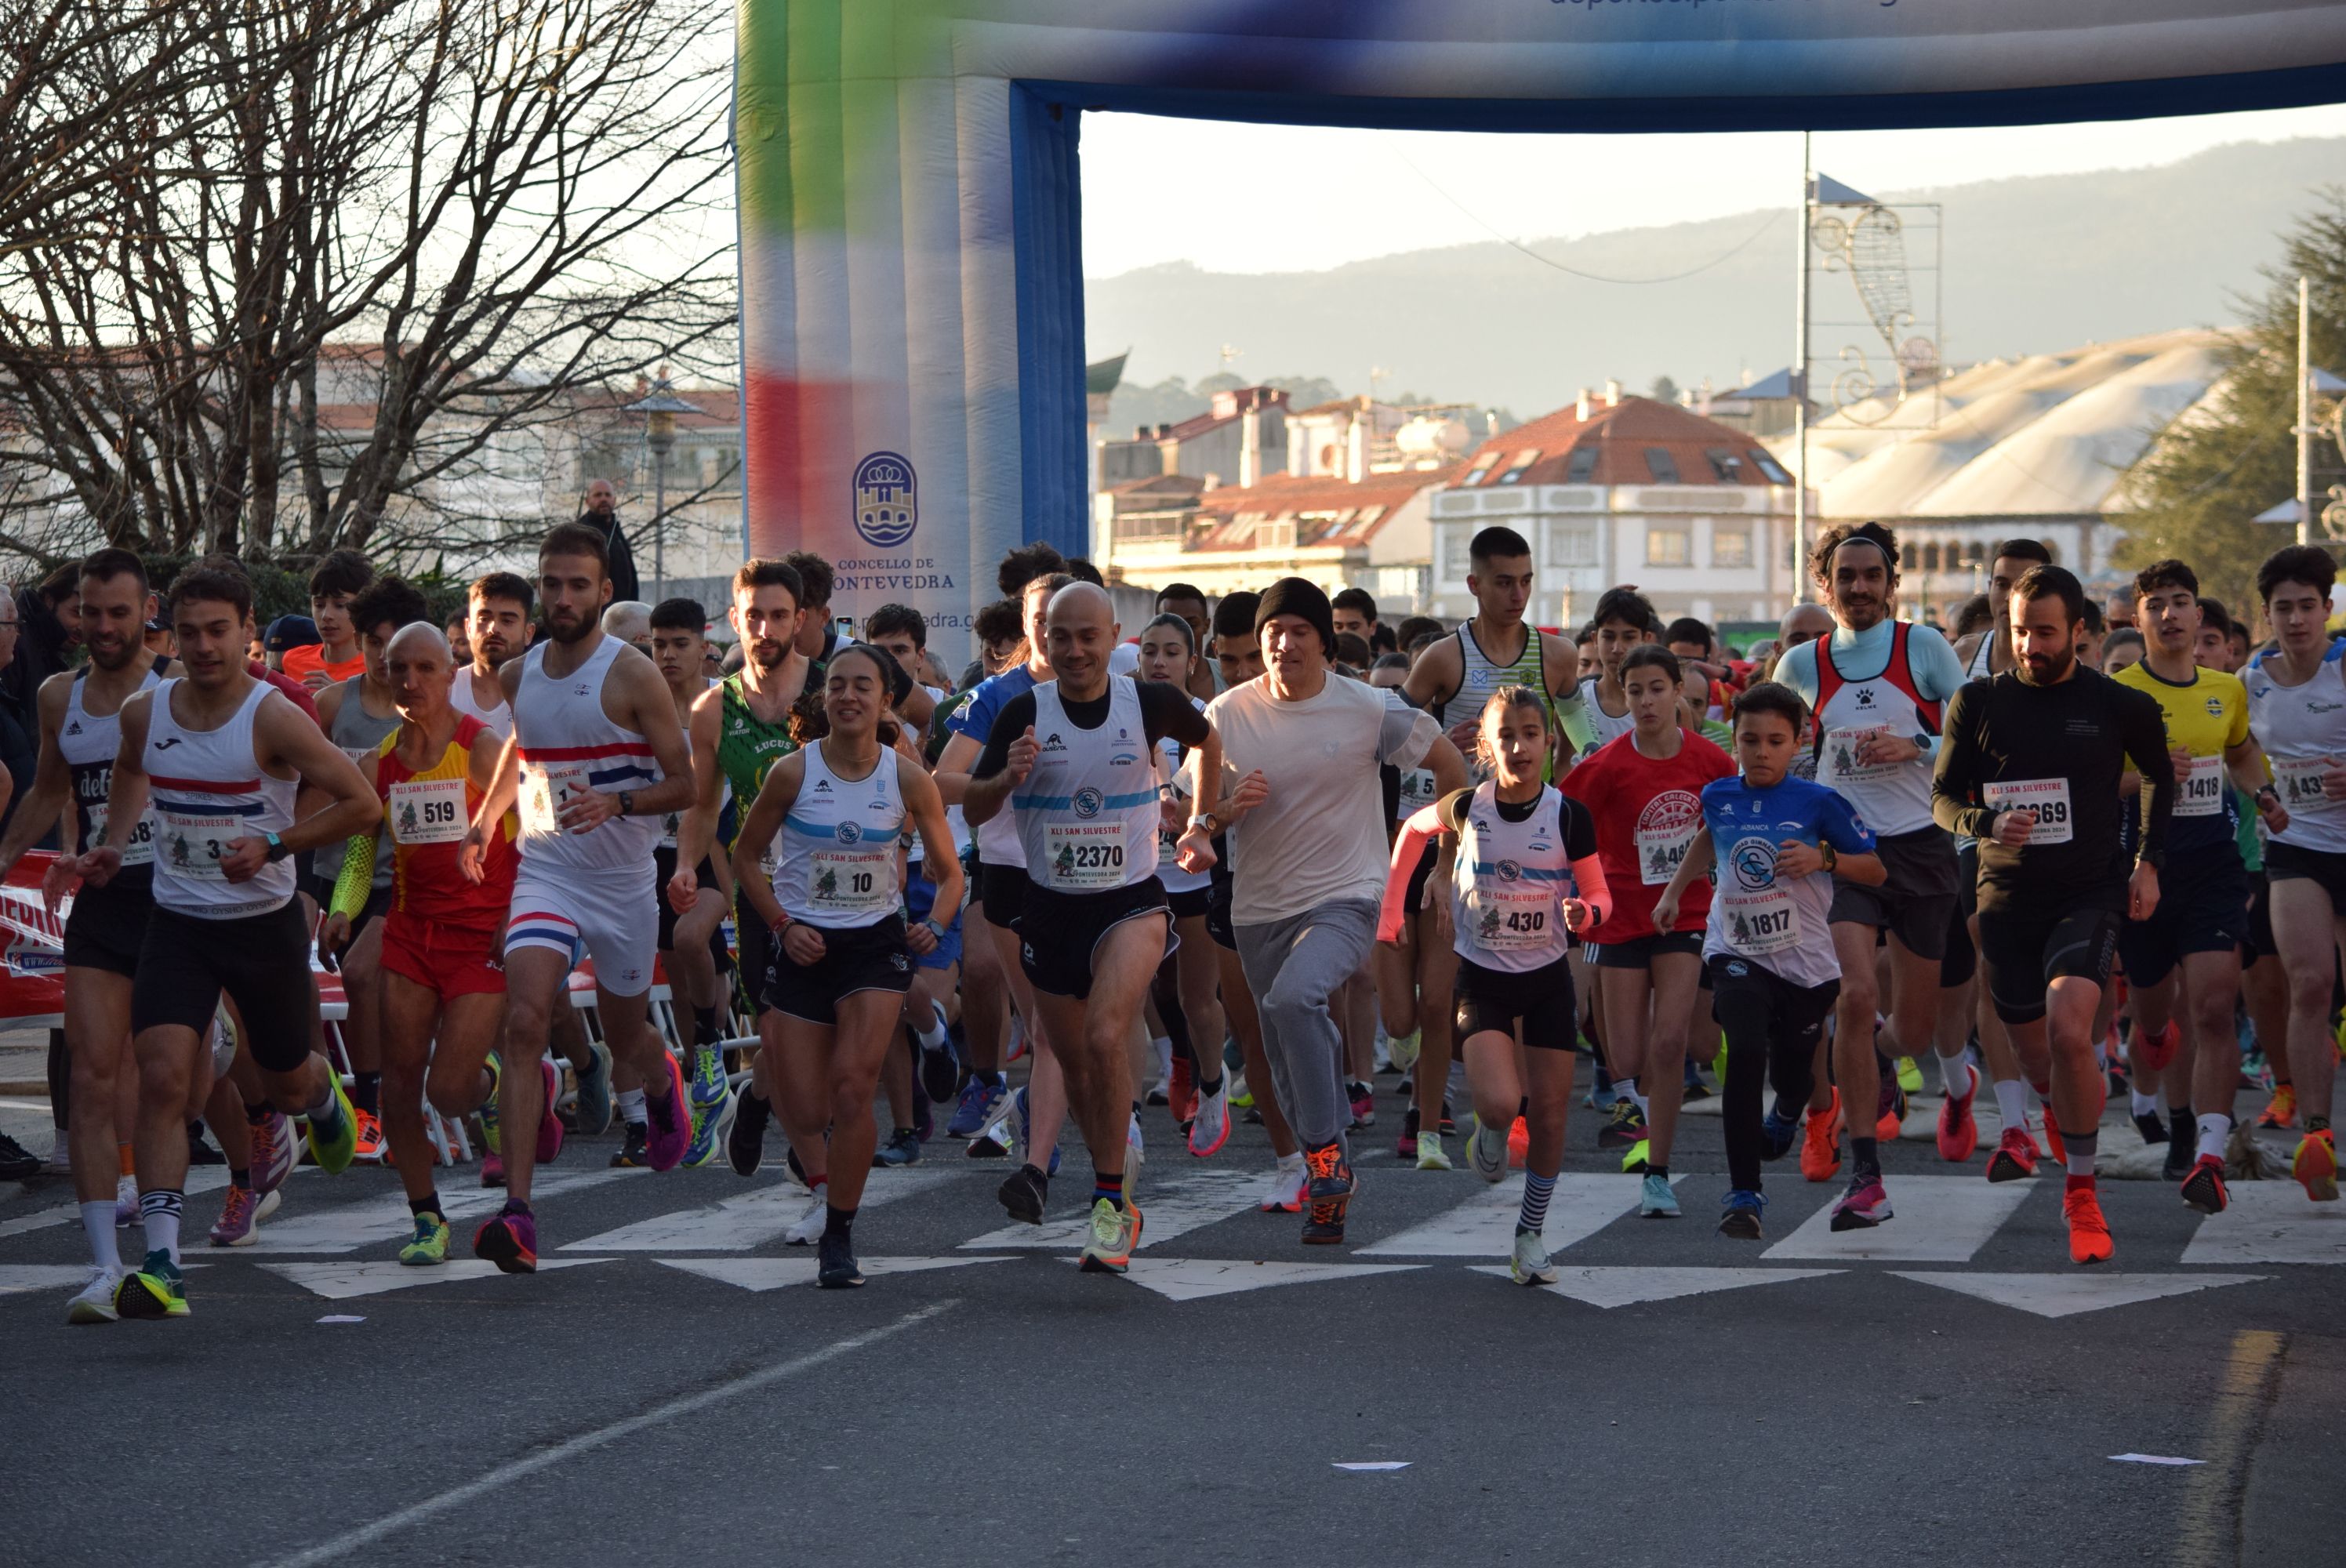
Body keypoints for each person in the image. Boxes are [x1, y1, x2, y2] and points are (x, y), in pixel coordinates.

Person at [76, 562, 383, 1319]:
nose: (205, 647)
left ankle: (323, 1102)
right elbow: (126, 770)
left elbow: (362, 803)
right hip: (177, 923)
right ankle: (161, 1265)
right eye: (189, 633)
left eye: (219, 631)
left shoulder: (273, 717)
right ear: (169, 634)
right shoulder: (148, 714)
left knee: (283, 1081)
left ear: (249, 630)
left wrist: (276, 844)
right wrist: (117, 841)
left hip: (261, 928)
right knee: (163, 1077)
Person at [458, 522, 696, 1270]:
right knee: (524, 1020)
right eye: (551, 584)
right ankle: (519, 1216)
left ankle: (662, 1086)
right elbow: (523, 761)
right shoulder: (520, 675)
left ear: (604, 591)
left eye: (577, 585)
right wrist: (482, 822)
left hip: (622, 882)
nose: (562, 598)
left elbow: (688, 785)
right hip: (548, 870)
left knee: (629, 1041)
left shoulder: (632, 675)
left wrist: (620, 806)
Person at [963, 583, 1217, 1271]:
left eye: (1087, 636)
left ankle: (1110, 1203)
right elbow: (977, 808)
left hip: (1131, 901)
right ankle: (1112, 1175)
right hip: (1049, 907)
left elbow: (1210, 740)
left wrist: (1201, 823)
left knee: (1108, 1034)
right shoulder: (1023, 710)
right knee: (1076, 1066)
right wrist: (1005, 777)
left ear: (1113, 637)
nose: (1074, 650)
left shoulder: (1150, 703)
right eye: (1060, 636)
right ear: (1042, 638)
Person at [1206, 577, 1465, 1244]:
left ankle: (1323, 1162)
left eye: (1299, 632)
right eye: (1273, 634)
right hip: (1258, 908)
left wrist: (1441, 861)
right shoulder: (1227, 714)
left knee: (1295, 1001)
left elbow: (1452, 767)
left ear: (1325, 641)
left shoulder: (1370, 709)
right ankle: (1333, 1174)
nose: (1284, 644)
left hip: (1347, 895)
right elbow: (1193, 812)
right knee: (1284, 1057)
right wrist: (1216, 817)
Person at [1932, 564, 2173, 1266]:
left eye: (2045, 632)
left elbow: (2157, 774)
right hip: (2006, 900)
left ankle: (2081, 1193)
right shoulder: (1977, 703)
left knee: (2072, 1033)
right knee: (2039, 1061)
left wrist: (2149, 862)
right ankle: (2056, 1117)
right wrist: (1984, 821)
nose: (2031, 645)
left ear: (2080, 632)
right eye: (2019, 631)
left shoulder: (2116, 703)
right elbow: (1942, 798)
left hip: (2087, 892)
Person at [0, 551, 212, 1317]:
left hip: (179, 900)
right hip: (101, 900)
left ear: (147, 610)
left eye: (118, 612)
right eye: (90, 612)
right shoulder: (61, 695)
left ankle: (164, 1254)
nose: (103, 627)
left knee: (165, 1079)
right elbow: (51, 788)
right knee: (92, 1077)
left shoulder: (180, 691)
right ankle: (102, 1267)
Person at [733, 644, 962, 1286]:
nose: (848, 697)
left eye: (863, 686)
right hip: (805, 944)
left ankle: (839, 1233)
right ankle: (779, 1120)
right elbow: (747, 859)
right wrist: (783, 923)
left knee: (853, 1088)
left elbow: (951, 875)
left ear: (886, 699)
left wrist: (935, 924)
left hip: (874, 944)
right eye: (837, 686)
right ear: (824, 697)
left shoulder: (908, 778)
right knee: (806, 1111)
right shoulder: (791, 773)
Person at [1772, 521, 1974, 1228]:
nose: (1860, 588)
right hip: (1843, 851)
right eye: (1846, 577)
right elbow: (1770, 751)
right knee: (1855, 998)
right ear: (1824, 585)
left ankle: (1888, 1065)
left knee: (1911, 1032)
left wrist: (1917, 745)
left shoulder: (1922, 646)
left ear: (1892, 581)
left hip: (1921, 847)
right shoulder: (1801, 665)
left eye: (1872, 575)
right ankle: (1865, 1175)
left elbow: (1972, 731)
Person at [1381, 686, 1608, 1282]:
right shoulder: (1468, 806)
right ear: (1487, 745)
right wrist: (1389, 914)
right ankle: (1489, 1126)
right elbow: (1411, 835)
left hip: (1548, 980)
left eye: (1530, 734)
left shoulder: (1567, 815)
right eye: (1505, 735)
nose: (1519, 746)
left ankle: (1530, 1235)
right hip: (1482, 978)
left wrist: (1588, 913)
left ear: (1549, 742)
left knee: (1553, 1116)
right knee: (1503, 1103)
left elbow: (1600, 893)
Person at [1651, 681, 1886, 1240]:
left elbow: (1875, 870)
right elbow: (1710, 836)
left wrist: (1821, 857)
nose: (1760, 752)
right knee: (1746, 1047)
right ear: (1733, 738)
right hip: (1734, 948)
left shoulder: (1819, 802)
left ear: (1797, 742)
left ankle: (1787, 1113)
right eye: (1749, 740)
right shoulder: (1718, 794)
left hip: (1805, 963)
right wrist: (1673, 892)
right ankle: (1743, 1194)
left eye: (1774, 741)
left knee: (1793, 1073)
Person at [327, 623, 518, 1265]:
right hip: (411, 936)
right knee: (401, 1086)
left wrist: (513, 913)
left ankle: (488, 1087)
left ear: (448, 670)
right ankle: (426, 1220)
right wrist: (344, 909)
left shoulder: (483, 746)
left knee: (447, 1089)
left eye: (425, 668)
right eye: (398, 668)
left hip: (479, 939)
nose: (410, 681)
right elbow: (361, 849)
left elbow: (530, 837)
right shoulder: (379, 761)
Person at [2112, 561, 2284, 1211]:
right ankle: (2172, 1110)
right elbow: (2092, 781)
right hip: (2142, 868)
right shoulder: (2117, 693)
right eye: (2156, 604)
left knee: (2213, 1008)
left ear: (2198, 615)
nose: (2170, 614)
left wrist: (2262, 792)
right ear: (2139, 617)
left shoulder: (2225, 688)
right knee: (2159, 1020)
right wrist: (2151, 776)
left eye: (2181, 602)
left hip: (2213, 864)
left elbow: (2240, 751)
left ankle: (2208, 1153)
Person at [1560, 644, 1734, 1214]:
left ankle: (1657, 1173)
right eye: (1634, 691)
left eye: (1657, 688)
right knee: (1627, 1058)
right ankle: (1635, 1089)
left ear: (1678, 688)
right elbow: (1561, 821)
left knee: (1672, 1043)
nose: (1646, 702)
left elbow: (1735, 827)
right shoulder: (1606, 766)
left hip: (1685, 913)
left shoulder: (1711, 762)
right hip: (1619, 919)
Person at [670, 560, 818, 1184]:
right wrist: (684, 863)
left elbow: (914, 735)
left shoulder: (831, 688)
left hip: (840, 886)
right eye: (752, 615)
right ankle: (809, 1152)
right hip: (758, 890)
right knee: (782, 1034)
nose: (764, 627)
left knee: (830, 1040)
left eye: (778, 615)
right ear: (735, 620)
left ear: (800, 621)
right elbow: (704, 806)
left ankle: (759, 1098)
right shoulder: (713, 709)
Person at [936, 572, 1077, 1217]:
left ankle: (1042, 1123)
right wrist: (1005, 777)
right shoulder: (996, 694)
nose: (1054, 630)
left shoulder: (1118, 694)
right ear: (1025, 625)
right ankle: (1037, 1164)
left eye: (1066, 616)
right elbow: (943, 781)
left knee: (1086, 1025)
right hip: (1016, 873)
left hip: (1094, 876)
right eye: (1041, 616)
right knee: (1049, 1029)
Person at [313, 575, 430, 1165]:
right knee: (328, 973)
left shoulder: (451, 730)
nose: (387, 657)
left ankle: (379, 1108)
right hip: (353, 875)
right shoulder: (336, 710)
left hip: (432, 889)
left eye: (398, 643)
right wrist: (333, 902)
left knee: (370, 980)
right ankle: (330, 1104)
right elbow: (348, 829)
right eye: (376, 642)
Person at [2243, 544, 2346, 1198]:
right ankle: (2317, 1135)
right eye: (2285, 609)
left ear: (2328, 609)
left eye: (2309, 606)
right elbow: (2240, 753)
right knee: (2309, 982)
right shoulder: (2252, 676)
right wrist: (2262, 796)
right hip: (2298, 844)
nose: (2298, 620)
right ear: (2268, 615)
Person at [1135, 612, 1230, 1156]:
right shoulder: (1119, 713)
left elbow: (1225, 797)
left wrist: (1199, 819)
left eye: (1172, 652)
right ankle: (1175, 1058)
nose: (1159, 662)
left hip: (1192, 878)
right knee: (1157, 986)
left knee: (1199, 995)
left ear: (1192, 663)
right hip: (1136, 877)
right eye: (1150, 652)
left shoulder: (1206, 720)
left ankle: (1212, 1088)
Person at [647, 597, 735, 1165]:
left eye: (681, 644)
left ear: (705, 644)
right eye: (660, 644)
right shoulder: (641, 702)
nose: (669, 655)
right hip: (652, 853)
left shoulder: (724, 702)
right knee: (680, 977)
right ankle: (704, 1103)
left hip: (718, 849)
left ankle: (711, 1046)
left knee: (690, 939)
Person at [1403, 527, 1591, 767]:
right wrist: (1438, 747)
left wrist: (1566, 766)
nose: (1519, 595)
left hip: (1535, 803)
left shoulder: (1557, 653)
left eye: (1526, 581)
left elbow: (1573, 714)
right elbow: (1393, 724)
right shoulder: (1444, 656)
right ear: (1474, 585)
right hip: (1463, 803)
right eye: (1505, 583)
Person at [281, 550, 372, 690]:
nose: (326, 615)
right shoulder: (293, 660)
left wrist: (341, 698)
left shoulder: (375, 669)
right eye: (319, 605)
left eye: (340, 605)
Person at [455, 572, 532, 738]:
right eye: (484, 618)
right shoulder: (444, 690)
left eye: (507, 621)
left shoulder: (542, 696)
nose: (494, 628)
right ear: (468, 628)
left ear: (528, 633)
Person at [579, 477, 641, 603]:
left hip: (624, 611)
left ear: (614, 499)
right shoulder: (582, 532)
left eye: (608, 495)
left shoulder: (615, 529)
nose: (603, 499)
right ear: (587, 501)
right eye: (597, 495)